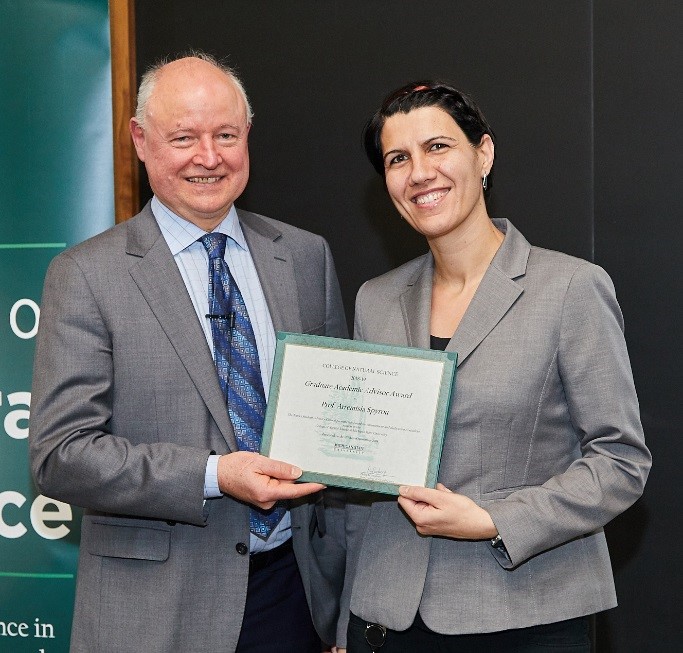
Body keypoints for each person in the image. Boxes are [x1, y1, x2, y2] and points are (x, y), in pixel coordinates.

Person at [30, 53, 347, 653]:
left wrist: (343, 606)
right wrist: (213, 476)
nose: (209, 157)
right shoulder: (86, 275)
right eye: (184, 138)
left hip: (294, 596)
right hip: (153, 613)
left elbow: (336, 434)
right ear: (140, 141)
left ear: (247, 136)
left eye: (225, 135)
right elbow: (61, 455)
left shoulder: (305, 258)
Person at [336, 82, 651, 652]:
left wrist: (494, 518)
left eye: (438, 147)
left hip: (526, 616)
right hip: (386, 621)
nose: (420, 173)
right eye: (398, 159)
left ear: (483, 153)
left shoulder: (570, 289)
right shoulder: (375, 300)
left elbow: (620, 462)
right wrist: (345, 621)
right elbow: (364, 481)